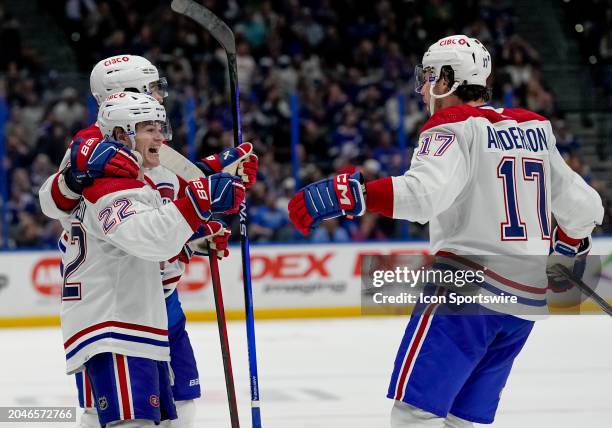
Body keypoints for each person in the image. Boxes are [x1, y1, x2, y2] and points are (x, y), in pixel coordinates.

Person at [287, 35, 604, 427]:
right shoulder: (535, 127)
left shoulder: (451, 124)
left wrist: (354, 194)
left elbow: (423, 197)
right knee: (462, 420)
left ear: (449, 80)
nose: (423, 87)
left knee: (415, 415)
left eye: (429, 76)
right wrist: (570, 247)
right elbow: (586, 206)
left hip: (466, 288)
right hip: (524, 302)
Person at [40, 54, 258, 428]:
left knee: (178, 404)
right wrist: (204, 196)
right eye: (153, 86)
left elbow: (164, 197)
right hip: (118, 301)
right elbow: (127, 224)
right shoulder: (97, 147)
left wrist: (206, 190)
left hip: (152, 297)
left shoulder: (138, 136)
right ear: (125, 94)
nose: (161, 94)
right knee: (121, 415)